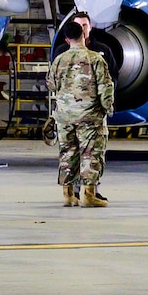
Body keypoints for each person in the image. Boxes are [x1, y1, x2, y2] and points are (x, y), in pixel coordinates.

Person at [50, 11, 115, 207]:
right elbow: (106, 88)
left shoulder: (59, 60)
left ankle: (68, 195)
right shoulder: (95, 58)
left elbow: (51, 85)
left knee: (67, 153)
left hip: (64, 117)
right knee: (91, 154)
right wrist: (107, 109)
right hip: (89, 116)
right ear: (82, 34)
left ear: (67, 38)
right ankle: (88, 195)